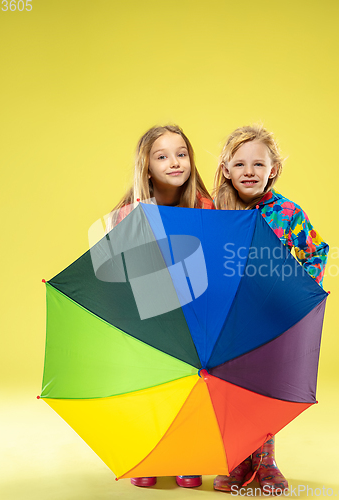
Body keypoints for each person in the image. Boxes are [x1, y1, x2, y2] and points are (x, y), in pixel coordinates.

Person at [212, 124, 329, 492]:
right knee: (231, 388)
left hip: (274, 319)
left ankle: (266, 461)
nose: (250, 171)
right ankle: (237, 459)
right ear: (227, 169)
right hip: (229, 319)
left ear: (273, 169)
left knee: (266, 388)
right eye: (240, 164)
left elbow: (316, 251)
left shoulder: (288, 212)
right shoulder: (216, 211)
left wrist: (296, 291)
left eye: (258, 164)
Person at [110, 124, 214, 488]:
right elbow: (114, 270)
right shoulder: (128, 212)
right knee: (150, 382)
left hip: (194, 308)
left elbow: (212, 257)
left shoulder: (204, 205)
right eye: (163, 156)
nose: (175, 162)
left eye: (181, 153)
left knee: (189, 384)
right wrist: (136, 228)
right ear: (146, 167)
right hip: (148, 313)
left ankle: (186, 453)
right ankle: (147, 452)